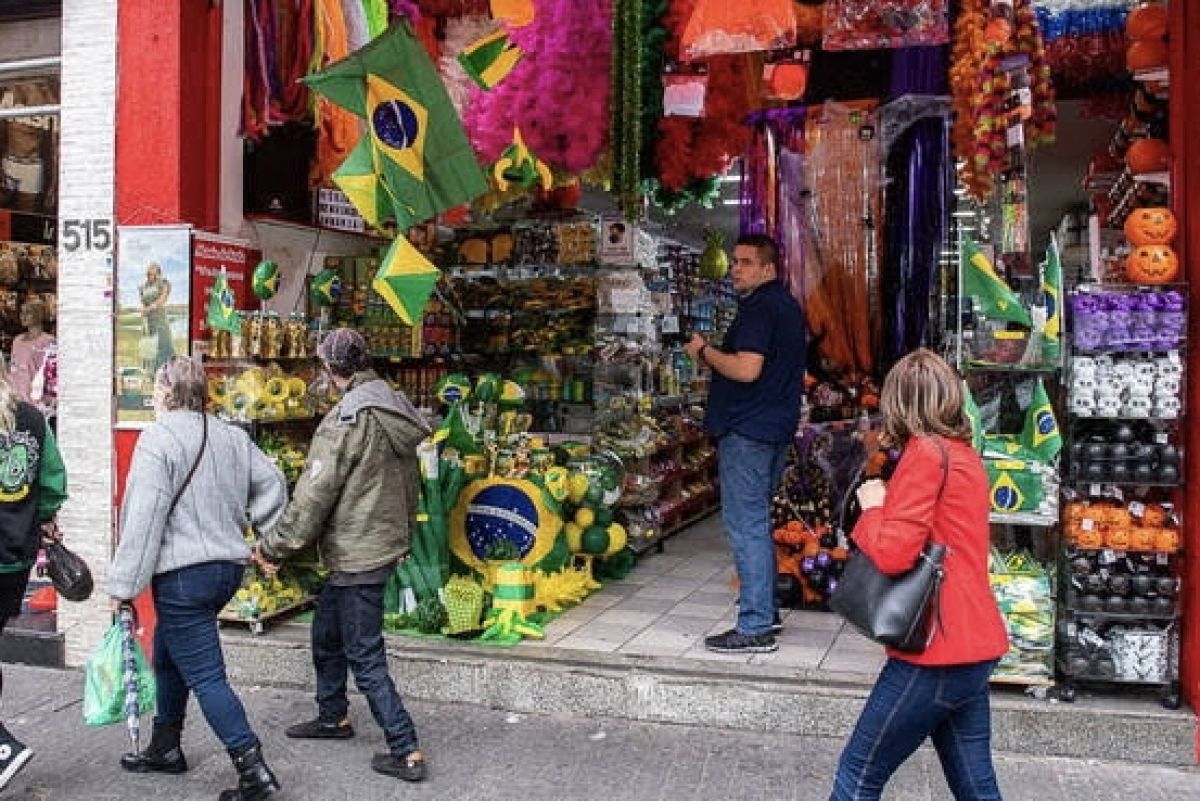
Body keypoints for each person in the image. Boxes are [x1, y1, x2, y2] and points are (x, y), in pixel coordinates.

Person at [829, 349, 1009, 801]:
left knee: (857, 775)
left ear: (899, 402)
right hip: (972, 645)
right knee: (976, 785)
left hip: (935, 651)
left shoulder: (925, 454)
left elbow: (893, 554)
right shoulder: (962, 454)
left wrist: (871, 510)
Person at [255, 327, 432, 783]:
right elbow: (412, 483)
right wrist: (401, 537)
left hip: (357, 551)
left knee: (365, 654)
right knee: (326, 631)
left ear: (330, 369)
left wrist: (274, 546)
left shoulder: (347, 420)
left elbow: (313, 496)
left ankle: (405, 747)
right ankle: (333, 715)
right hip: (376, 544)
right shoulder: (393, 405)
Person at [109, 357, 288, 801]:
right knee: (169, 655)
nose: (152, 396)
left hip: (183, 576)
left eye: (155, 388)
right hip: (225, 570)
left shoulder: (158, 439)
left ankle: (253, 772)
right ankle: (165, 747)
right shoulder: (231, 435)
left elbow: (143, 518)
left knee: (207, 676)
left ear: (168, 393)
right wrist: (267, 536)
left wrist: (123, 588)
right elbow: (273, 482)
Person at [683, 233, 805, 655]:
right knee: (757, 523)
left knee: (746, 525)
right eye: (734, 261)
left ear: (768, 269)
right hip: (772, 430)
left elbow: (747, 369)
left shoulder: (759, 309)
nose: (736, 268)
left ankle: (754, 626)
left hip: (749, 432)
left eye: (746, 262)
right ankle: (765, 611)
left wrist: (704, 352)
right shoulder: (787, 307)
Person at [0, 359, 66, 791]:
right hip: (16, 559)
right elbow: (53, 482)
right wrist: (39, 518)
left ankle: (2, 746)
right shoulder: (30, 418)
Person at [0, 79, 58, 215]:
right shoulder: (10, 97)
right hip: (8, 162)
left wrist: (53, 185)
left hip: (32, 167)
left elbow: (55, 149)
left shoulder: (49, 105)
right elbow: (1, 133)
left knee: (25, 217)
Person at [9, 299, 55, 413]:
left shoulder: (48, 341)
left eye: (27, 312)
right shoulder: (17, 340)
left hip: (34, 402)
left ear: (38, 315)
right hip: (14, 399)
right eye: (21, 312)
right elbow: (13, 368)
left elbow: (50, 375)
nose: (22, 316)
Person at [139, 262, 174, 374]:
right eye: (148, 273)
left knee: (163, 343)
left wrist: (150, 307)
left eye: (152, 273)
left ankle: (165, 372)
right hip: (148, 320)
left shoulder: (164, 283)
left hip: (160, 318)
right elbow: (143, 302)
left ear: (158, 273)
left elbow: (163, 299)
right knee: (149, 345)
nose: (149, 276)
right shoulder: (143, 286)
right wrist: (144, 311)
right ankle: (150, 372)